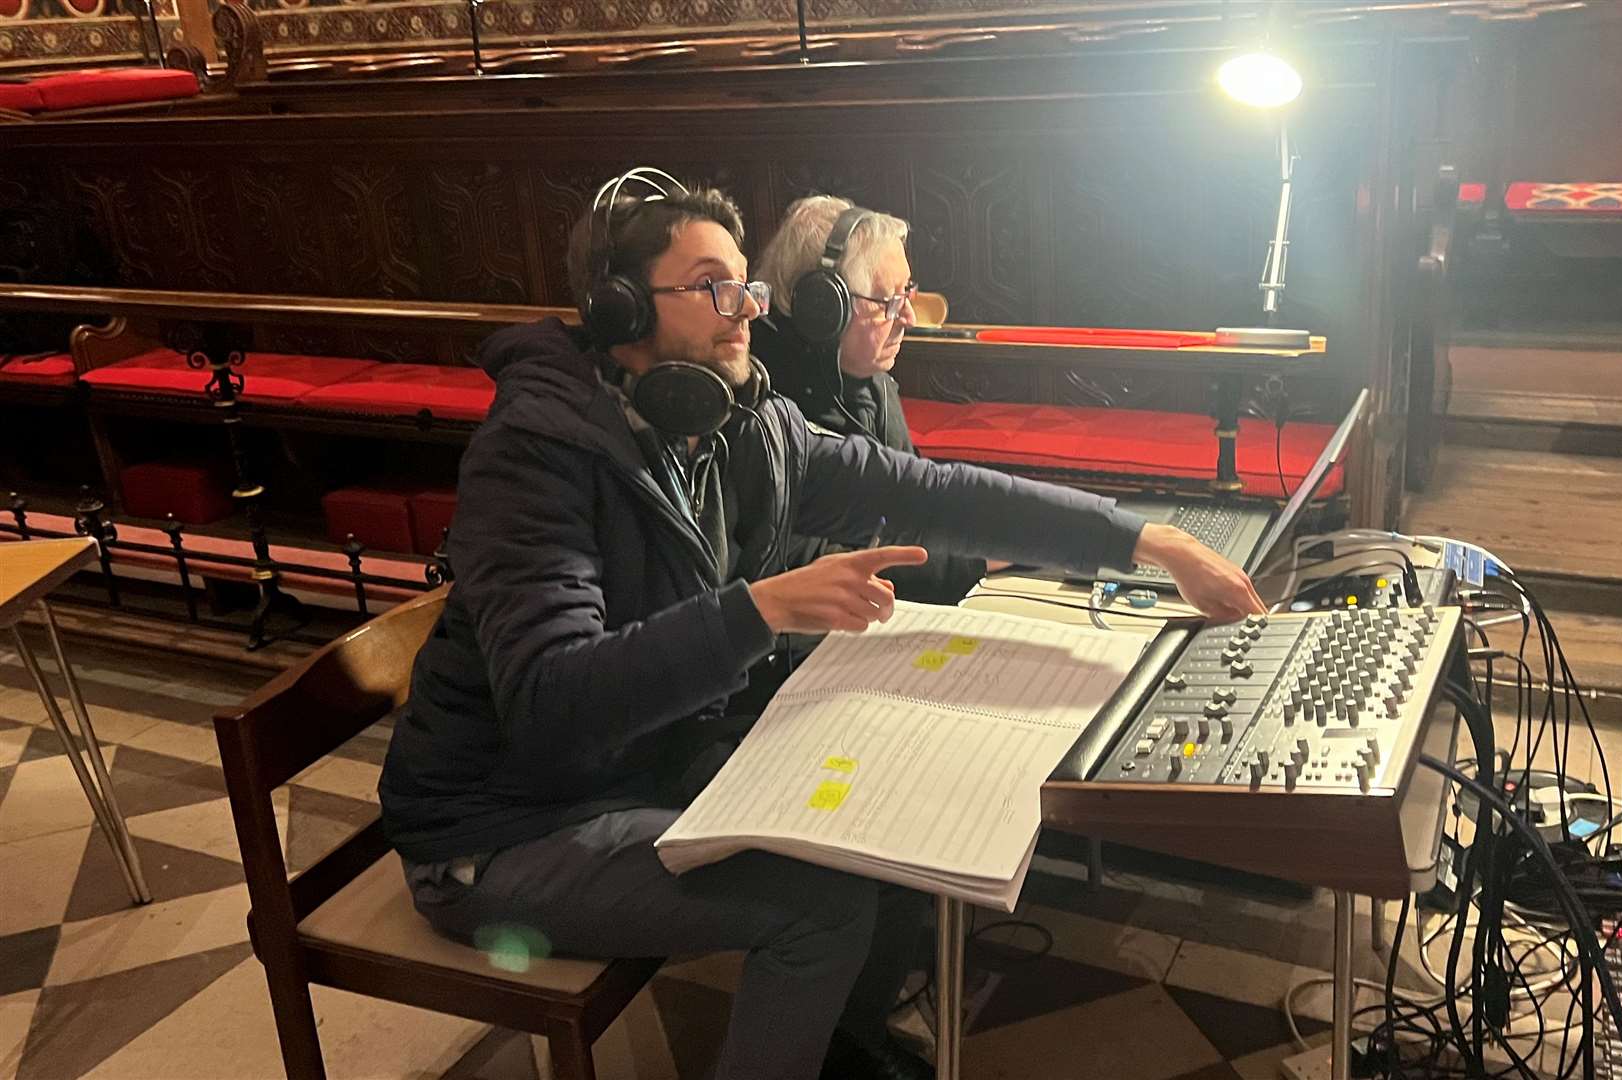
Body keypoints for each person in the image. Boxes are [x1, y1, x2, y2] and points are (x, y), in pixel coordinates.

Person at [378, 167, 1264, 1080]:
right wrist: (756, 610)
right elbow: (554, 703)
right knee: (820, 905)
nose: (746, 310)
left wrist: (1146, 541)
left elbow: (934, 493)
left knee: (889, 808)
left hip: (640, 763)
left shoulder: (743, 424)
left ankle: (851, 1050)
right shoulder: (535, 456)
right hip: (504, 828)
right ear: (618, 311)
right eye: (711, 287)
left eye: (745, 286)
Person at [752, 195, 987, 605]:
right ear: (823, 307)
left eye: (908, 292)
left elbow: (916, 508)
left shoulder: (872, 384)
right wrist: (978, 557)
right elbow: (831, 568)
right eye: (889, 301)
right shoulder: (767, 410)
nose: (909, 318)